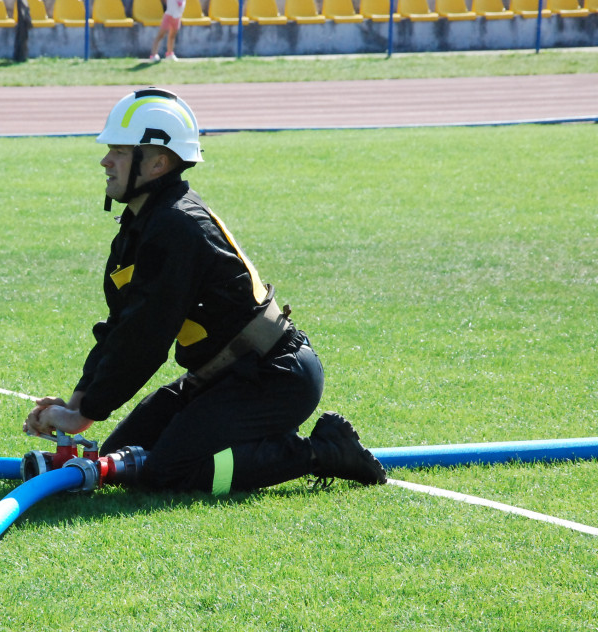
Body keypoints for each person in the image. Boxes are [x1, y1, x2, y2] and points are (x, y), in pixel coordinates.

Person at [23, 88, 387, 495]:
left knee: (166, 473)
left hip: (273, 376)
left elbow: (146, 336)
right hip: (226, 375)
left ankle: (320, 450)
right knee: (123, 453)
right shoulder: (141, 225)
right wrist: (76, 405)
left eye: (120, 151)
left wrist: (84, 413)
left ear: (158, 162)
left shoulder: (176, 226)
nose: (106, 160)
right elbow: (121, 328)